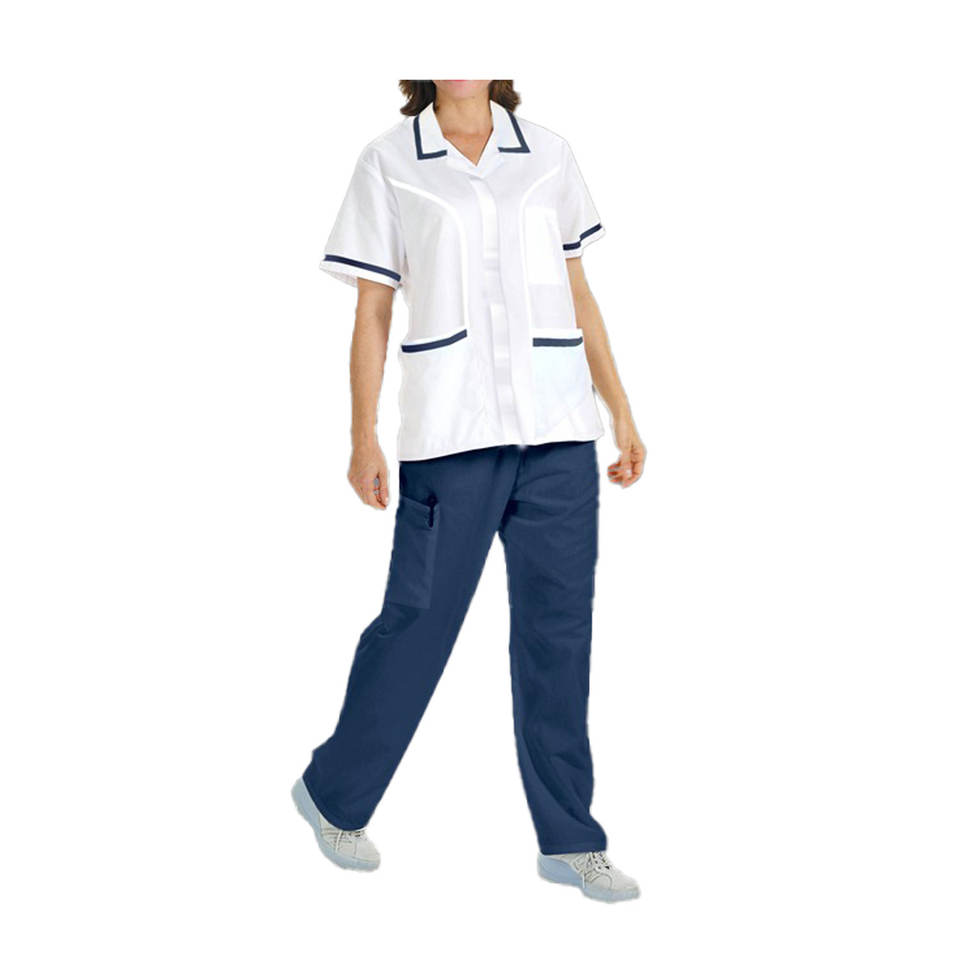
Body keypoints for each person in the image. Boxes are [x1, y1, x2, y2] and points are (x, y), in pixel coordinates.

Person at [293, 80, 646, 903]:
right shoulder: (389, 161)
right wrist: (362, 433)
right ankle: (333, 793)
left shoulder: (549, 154)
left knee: (559, 638)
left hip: (558, 430)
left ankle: (570, 840)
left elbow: (578, 293)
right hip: (451, 433)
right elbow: (373, 311)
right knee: (419, 622)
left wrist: (620, 410)